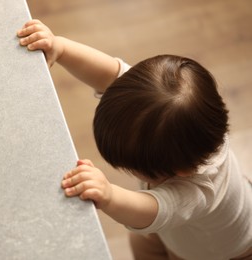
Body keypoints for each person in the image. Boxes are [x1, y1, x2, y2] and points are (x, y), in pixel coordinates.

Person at [17, 19, 252, 259]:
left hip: (217, 250)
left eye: (134, 169)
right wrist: (62, 47)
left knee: (144, 228)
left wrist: (108, 195)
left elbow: (151, 209)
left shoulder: (200, 191)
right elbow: (109, 73)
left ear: (180, 170)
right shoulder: (193, 124)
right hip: (180, 228)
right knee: (141, 237)